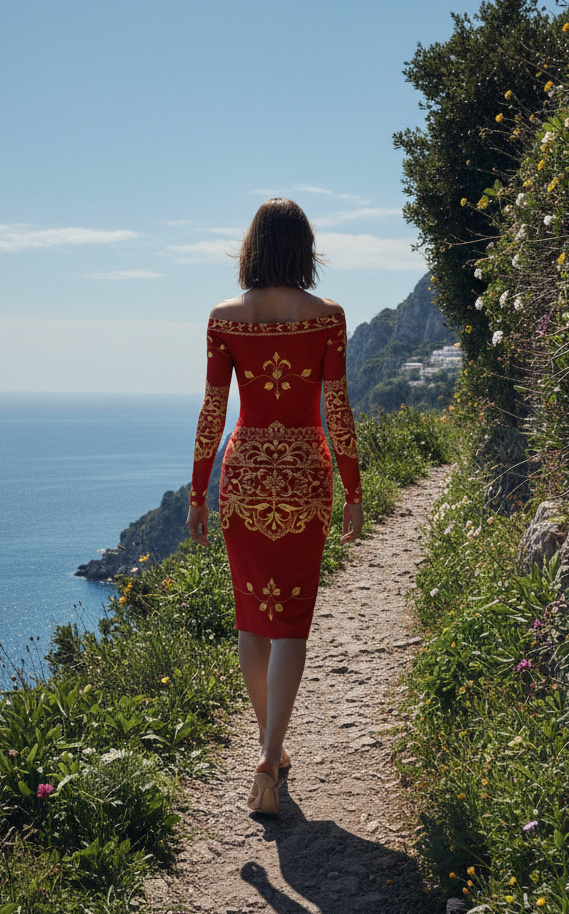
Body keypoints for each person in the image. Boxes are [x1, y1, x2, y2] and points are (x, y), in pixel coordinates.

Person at [187, 198, 364, 815]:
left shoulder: (222, 317)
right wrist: (355, 488)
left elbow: (214, 411)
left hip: (243, 477)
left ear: (252, 247)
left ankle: (270, 748)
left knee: (251, 620)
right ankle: (271, 751)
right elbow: (336, 410)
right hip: (303, 477)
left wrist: (197, 492)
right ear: (305, 248)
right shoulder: (329, 317)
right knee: (290, 621)